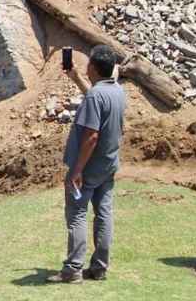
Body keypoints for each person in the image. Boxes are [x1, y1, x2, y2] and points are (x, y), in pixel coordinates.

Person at [47, 45, 125, 284]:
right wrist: (76, 78)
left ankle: (72, 270)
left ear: (93, 66)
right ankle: (100, 267)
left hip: (88, 167)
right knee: (103, 214)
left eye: (88, 63)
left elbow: (91, 137)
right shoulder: (117, 91)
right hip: (108, 164)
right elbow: (97, 99)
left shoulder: (95, 96)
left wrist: (76, 170)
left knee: (77, 214)